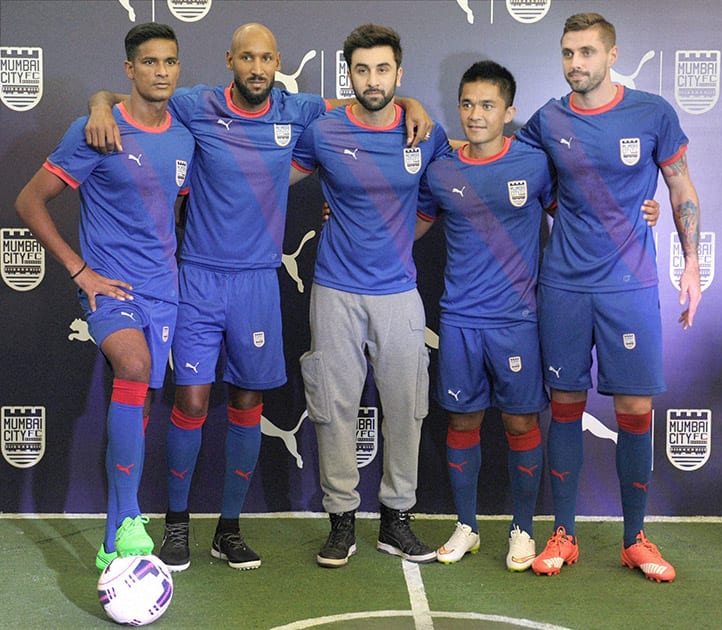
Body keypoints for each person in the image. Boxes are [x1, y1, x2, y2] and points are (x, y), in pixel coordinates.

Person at [85, 22, 433, 572]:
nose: (256, 68)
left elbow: (366, 99)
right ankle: (177, 527)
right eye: (246, 57)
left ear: (278, 63)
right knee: (192, 403)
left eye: (266, 58)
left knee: (248, 403)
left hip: (258, 282)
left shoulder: (299, 111)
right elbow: (135, 99)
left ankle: (229, 530)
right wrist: (98, 103)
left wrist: (412, 101)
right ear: (230, 60)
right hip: (197, 278)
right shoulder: (195, 105)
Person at [516, 12, 701, 582]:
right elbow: (515, 172)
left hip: (632, 287)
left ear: (612, 54)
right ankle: (564, 534)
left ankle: (634, 538)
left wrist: (691, 261)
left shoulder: (652, 113)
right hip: (565, 285)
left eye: (588, 52)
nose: (576, 63)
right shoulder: (546, 120)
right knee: (565, 406)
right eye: (568, 52)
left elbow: (679, 184)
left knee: (635, 410)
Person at [15, 23, 195, 573]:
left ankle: (113, 536)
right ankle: (128, 517)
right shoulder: (96, 129)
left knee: (137, 400)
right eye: (149, 63)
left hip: (166, 291)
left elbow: (174, 208)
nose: (160, 72)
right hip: (111, 289)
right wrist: (80, 272)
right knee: (134, 364)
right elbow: (29, 201)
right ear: (129, 70)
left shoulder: (184, 133)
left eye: (169, 62)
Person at [290, 23, 451, 568]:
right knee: (334, 409)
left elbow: (435, 202)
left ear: (398, 74)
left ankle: (396, 521)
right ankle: (341, 522)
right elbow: (268, 175)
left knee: (407, 407)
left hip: (399, 292)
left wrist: (391, 241)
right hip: (335, 289)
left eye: (383, 69)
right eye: (362, 69)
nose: (373, 79)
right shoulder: (324, 130)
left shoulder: (424, 132)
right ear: (349, 75)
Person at [417, 60, 553, 571]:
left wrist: (642, 212)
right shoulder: (442, 169)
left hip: (516, 320)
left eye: (488, 105)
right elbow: (411, 227)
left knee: (521, 422)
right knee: (462, 420)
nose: (476, 115)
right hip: (459, 320)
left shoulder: (536, 164)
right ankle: (467, 527)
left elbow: (576, 211)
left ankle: (523, 529)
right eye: (468, 104)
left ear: (509, 111)